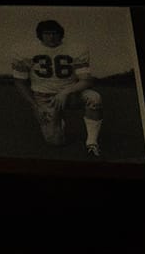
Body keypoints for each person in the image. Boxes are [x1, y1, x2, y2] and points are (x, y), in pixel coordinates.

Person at [11, 17, 106, 157]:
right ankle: (57, 121)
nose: (51, 37)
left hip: (71, 93)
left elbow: (87, 80)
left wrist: (65, 92)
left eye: (55, 33)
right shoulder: (26, 50)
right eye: (47, 33)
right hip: (44, 97)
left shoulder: (75, 49)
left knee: (94, 98)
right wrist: (35, 106)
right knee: (55, 142)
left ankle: (92, 143)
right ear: (40, 35)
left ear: (61, 34)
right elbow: (19, 82)